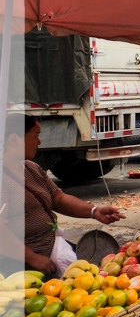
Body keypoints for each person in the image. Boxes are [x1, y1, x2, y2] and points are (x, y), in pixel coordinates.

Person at [0, 114, 125, 275]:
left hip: (50, 247)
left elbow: (58, 198)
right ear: (13, 139)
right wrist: (32, 258)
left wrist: (94, 211)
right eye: (35, 136)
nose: (39, 142)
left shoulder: (32, 168)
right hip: (19, 263)